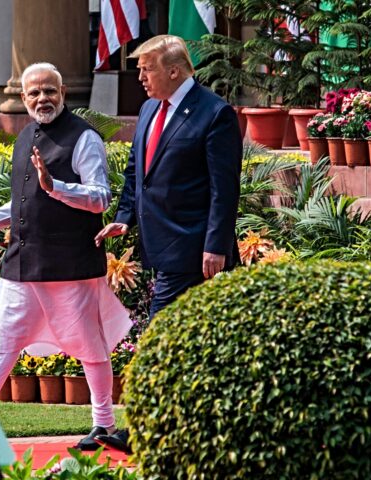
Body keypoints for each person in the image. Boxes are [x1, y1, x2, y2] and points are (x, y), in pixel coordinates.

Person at [0, 62, 132, 451]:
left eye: (50, 91)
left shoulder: (84, 138)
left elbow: (99, 198)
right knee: (1, 342)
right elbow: (21, 205)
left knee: (90, 345)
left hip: (70, 265)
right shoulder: (26, 136)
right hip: (22, 264)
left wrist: (55, 185)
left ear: (63, 94)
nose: (43, 98)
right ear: (24, 99)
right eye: (34, 93)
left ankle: (103, 424)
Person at [94, 35, 242, 452]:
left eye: (147, 69)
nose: (140, 77)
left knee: (158, 337)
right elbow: (135, 174)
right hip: (158, 246)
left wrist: (215, 245)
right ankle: (194, 428)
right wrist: (124, 219)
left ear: (174, 71)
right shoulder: (147, 109)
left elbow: (223, 188)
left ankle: (142, 433)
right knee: (196, 342)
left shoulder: (215, 114)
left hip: (194, 251)